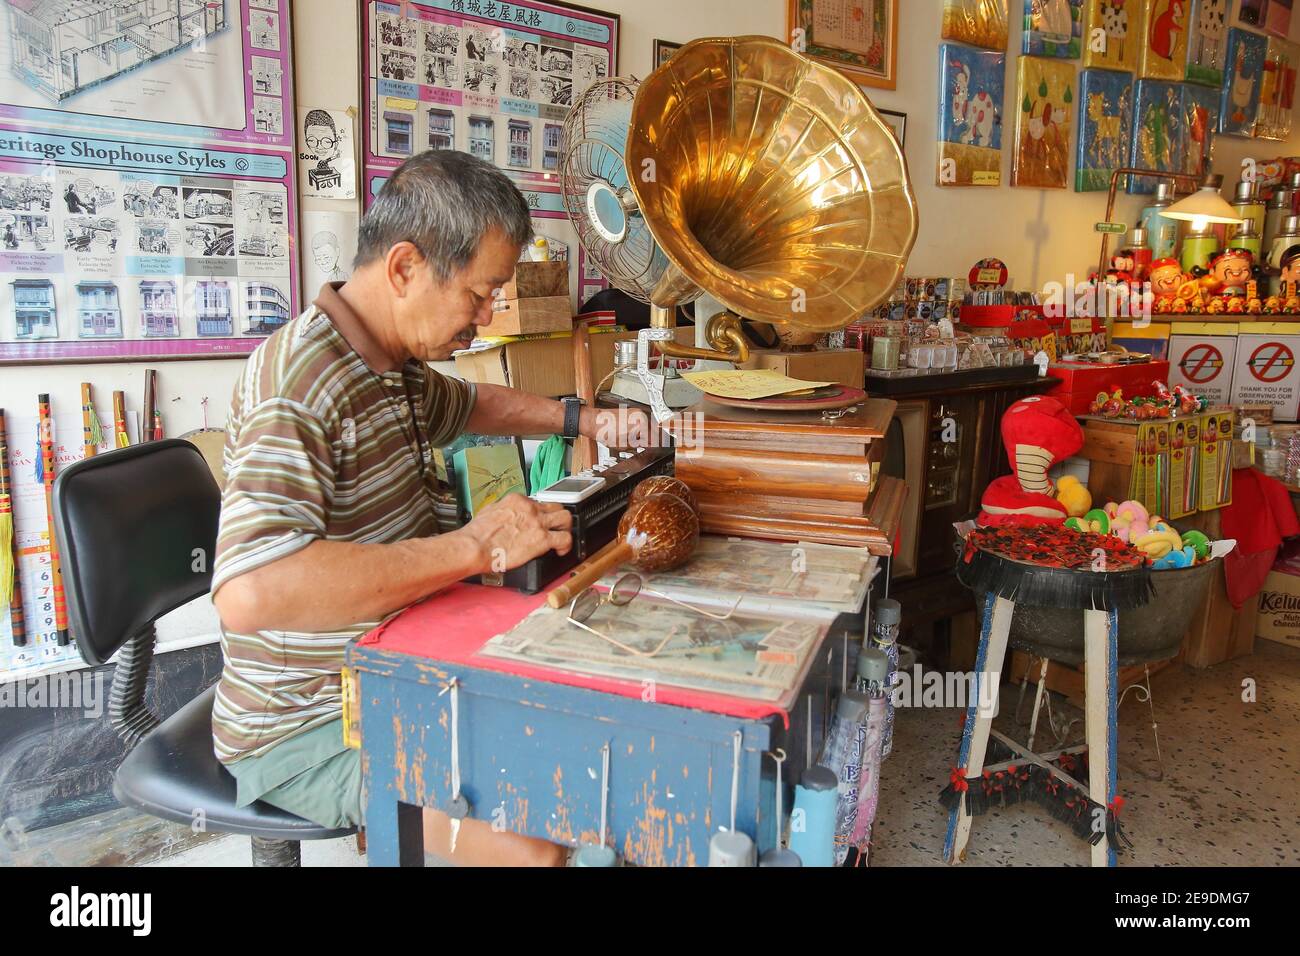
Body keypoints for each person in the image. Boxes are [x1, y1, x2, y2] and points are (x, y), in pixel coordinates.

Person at [211, 149, 649, 865]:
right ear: (406, 267)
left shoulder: (393, 364)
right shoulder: (298, 381)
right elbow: (251, 592)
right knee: (536, 842)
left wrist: (584, 422)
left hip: (404, 661)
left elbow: (474, 402)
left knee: (592, 725)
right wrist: (474, 549)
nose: (484, 318)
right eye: (479, 294)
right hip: (310, 723)